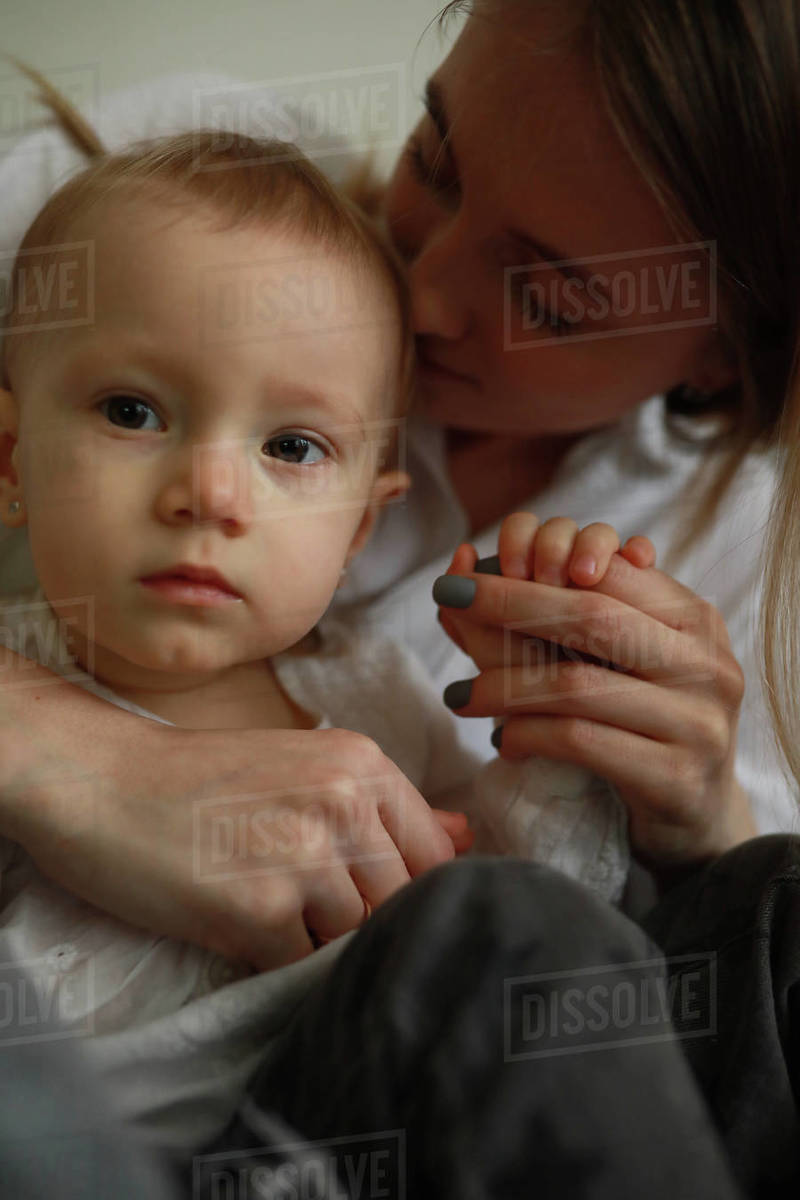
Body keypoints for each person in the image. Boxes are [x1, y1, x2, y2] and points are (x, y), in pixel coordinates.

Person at [0, 0, 799, 1193]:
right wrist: (66, 757)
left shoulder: (733, 551)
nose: (423, 293)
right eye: (435, 157)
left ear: (723, 355)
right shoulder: (158, 205)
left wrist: (676, 818)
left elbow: (562, 889)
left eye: (553, 297)